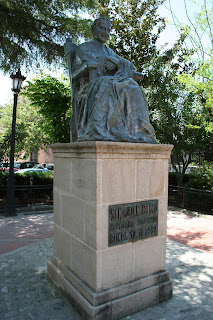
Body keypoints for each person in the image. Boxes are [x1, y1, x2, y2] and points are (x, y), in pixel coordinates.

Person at [68, 17, 157, 144]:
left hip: (111, 82)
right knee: (106, 84)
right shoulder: (84, 48)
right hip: (89, 87)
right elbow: (74, 74)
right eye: (102, 28)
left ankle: (138, 131)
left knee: (133, 87)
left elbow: (127, 66)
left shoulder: (109, 51)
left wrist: (117, 63)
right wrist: (87, 66)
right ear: (93, 30)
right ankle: (98, 129)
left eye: (108, 30)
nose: (106, 32)